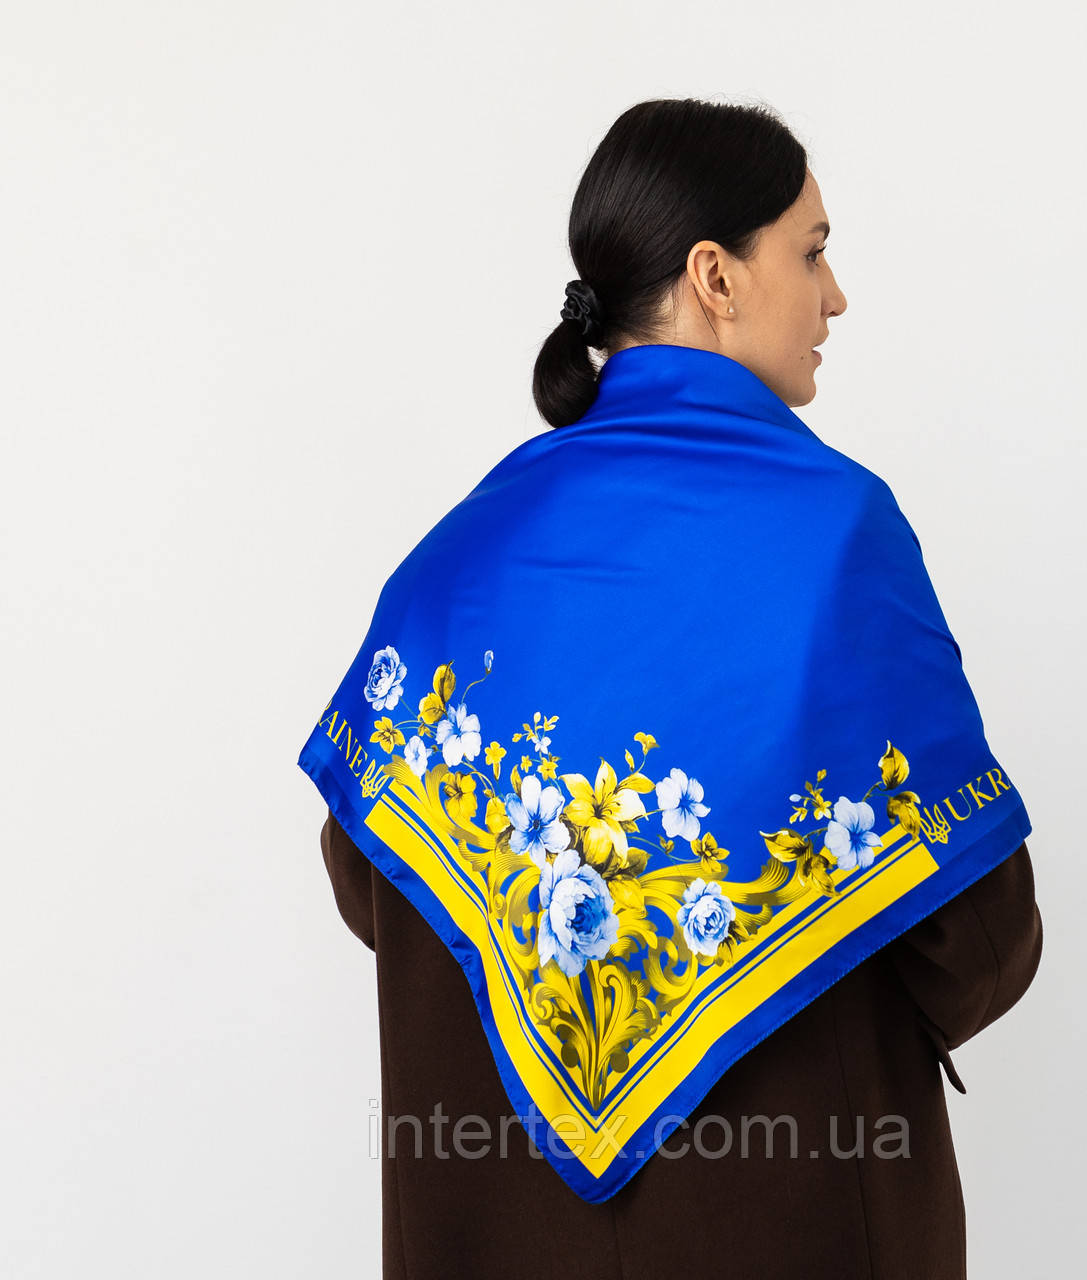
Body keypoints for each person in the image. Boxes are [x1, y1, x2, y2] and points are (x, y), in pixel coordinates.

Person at [307, 96, 1044, 1279]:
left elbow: (370, 876)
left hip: (493, 1220)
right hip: (800, 1212)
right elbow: (979, 939)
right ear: (714, 276)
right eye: (810, 251)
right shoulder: (834, 533)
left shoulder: (465, 546)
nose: (834, 295)